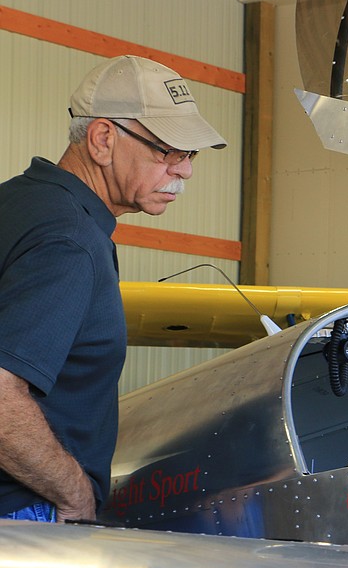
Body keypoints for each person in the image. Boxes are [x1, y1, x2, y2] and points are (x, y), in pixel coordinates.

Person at [0, 55, 226, 523]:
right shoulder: (71, 240)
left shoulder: (18, 203)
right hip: (20, 513)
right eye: (169, 151)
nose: (185, 172)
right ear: (103, 139)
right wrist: (74, 494)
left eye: (191, 155)